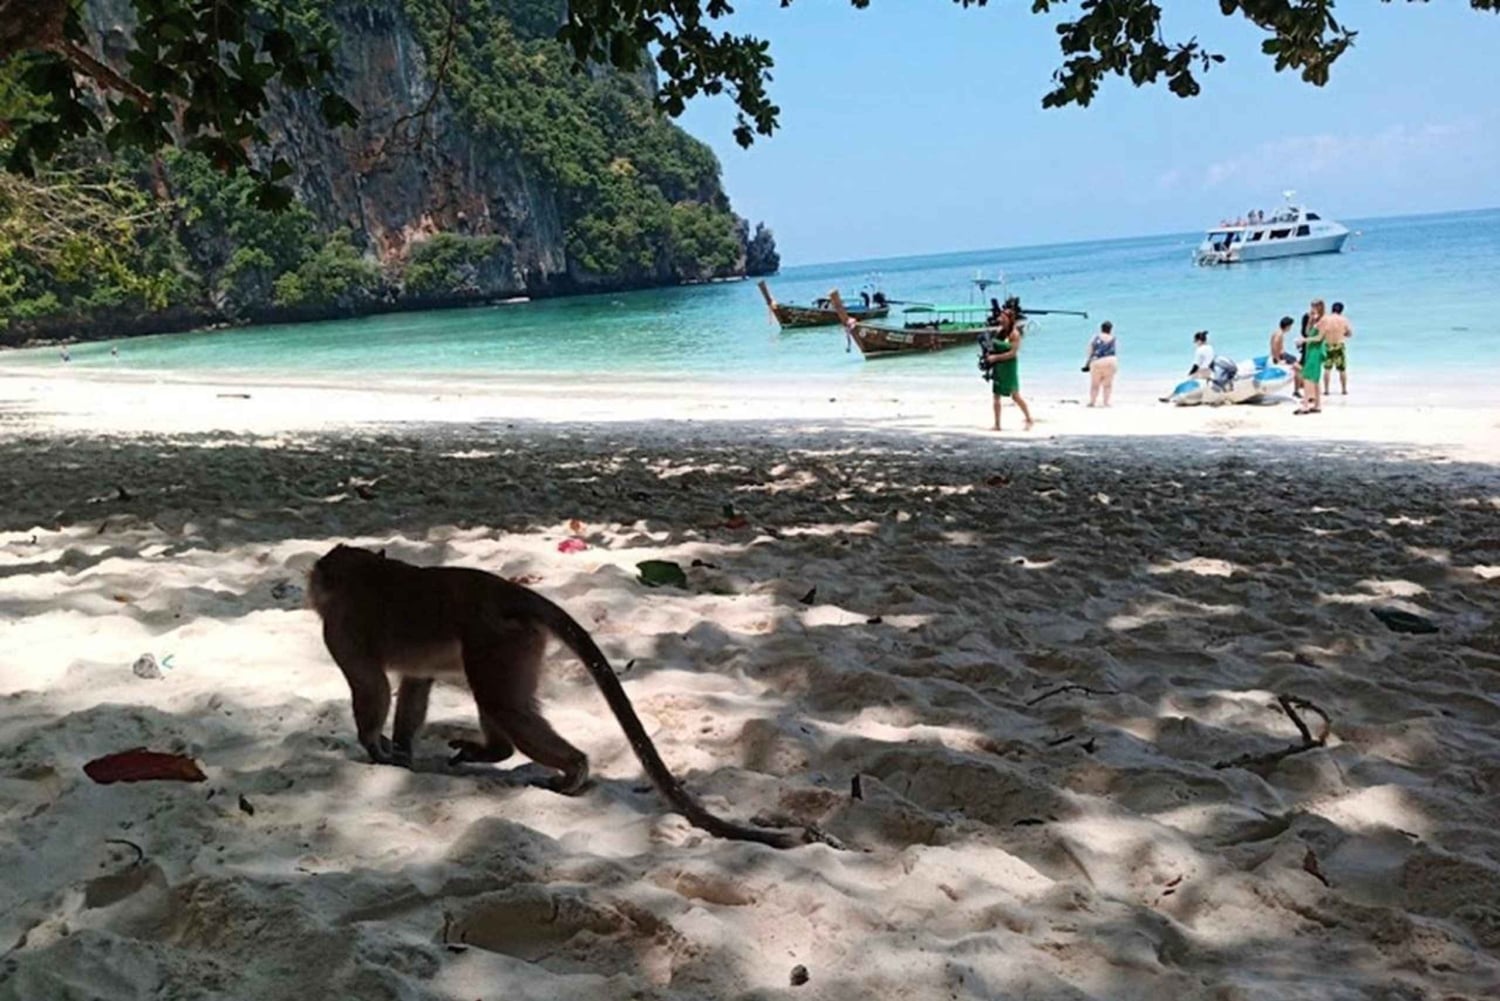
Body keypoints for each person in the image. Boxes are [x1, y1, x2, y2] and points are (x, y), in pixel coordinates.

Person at [982, 306, 1033, 431]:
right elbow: (993, 346)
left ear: (1010, 319)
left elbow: (1012, 353)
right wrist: (988, 355)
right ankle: (997, 424)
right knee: (996, 395)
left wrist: (995, 358)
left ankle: (1029, 418)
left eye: (1004, 317)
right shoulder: (1000, 331)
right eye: (1001, 317)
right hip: (998, 366)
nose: (1001, 319)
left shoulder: (1014, 334)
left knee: (1015, 395)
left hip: (1009, 366)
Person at [1296, 299, 1328, 415]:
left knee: (1307, 376)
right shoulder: (1315, 320)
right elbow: (1307, 332)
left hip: (1316, 351)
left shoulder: (1324, 320)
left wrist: (1305, 340)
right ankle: (1317, 405)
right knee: (1314, 379)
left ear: (1320, 307)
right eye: (1311, 306)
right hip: (1310, 350)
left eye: (1314, 306)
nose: (1312, 309)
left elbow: (1319, 338)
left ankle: (1305, 405)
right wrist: (1310, 320)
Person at [1319, 301, 1353, 396]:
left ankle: (1326, 390)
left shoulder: (1326, 319)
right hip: (1339, 345)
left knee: (1327, 369)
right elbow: (1349, 333)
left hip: (1328, 345)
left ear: (1332, 309)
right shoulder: (1344, 320)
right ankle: (1344, 390)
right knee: (1342, 369)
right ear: (1341, 311)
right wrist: (1342, 334)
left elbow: (1320, 332)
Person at [1083, 320, 1118, 407]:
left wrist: (1087, 364)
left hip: (1097, 361)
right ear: (1110, 329)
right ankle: (1106, 403)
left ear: (1101, 328)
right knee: (1108, 385)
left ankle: (1092, 402)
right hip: (1111, 361)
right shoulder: (1113, 338)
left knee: (1095, 384)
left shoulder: (1095, 338)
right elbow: (1114, 352)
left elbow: (1090, 351)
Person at [1269, 315, 1299, 393]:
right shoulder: (1279, 334)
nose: (1291, 328)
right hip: (1281, 356)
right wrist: (1278, 360)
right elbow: (1274, 346)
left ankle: (1298, 388)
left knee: (1296, 360)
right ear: (1287, 326)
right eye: (1290, 326)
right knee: (1299, 368)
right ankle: (1296, 391)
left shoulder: (1277, 332)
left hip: (1281, 355)